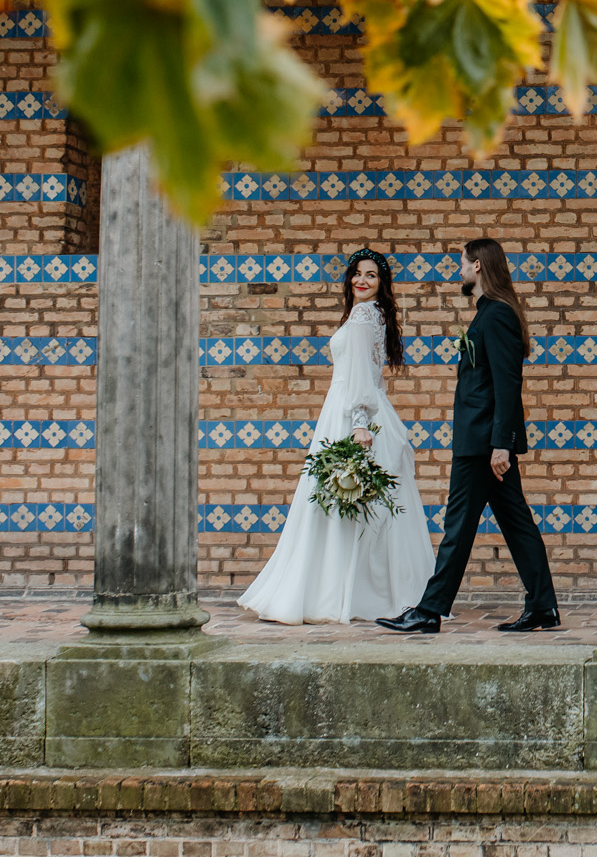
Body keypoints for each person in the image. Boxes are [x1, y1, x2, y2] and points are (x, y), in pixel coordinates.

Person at [237, 248, 432, 623]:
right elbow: (372, 375)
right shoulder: (374, 315)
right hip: (361, 408)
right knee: (359, 504)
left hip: (352, 413)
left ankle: (337, 594)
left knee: (348, 501)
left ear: (382, 284)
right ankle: (362, 592)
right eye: (357, 273)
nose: (362, 279)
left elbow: (362, 374)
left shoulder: (362, 315)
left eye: (371, 275)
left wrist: (359, 423)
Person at [379, 237, 559, 634]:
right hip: (482, 441)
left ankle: (429, 610)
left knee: (457, 525)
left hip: (482, 444)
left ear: (478, 266)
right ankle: (543, 606)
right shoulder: (489, 314)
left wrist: (501, 444)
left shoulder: (495, 315)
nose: (458, 269)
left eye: (462, 262)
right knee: (516, 523)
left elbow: (507, 383)